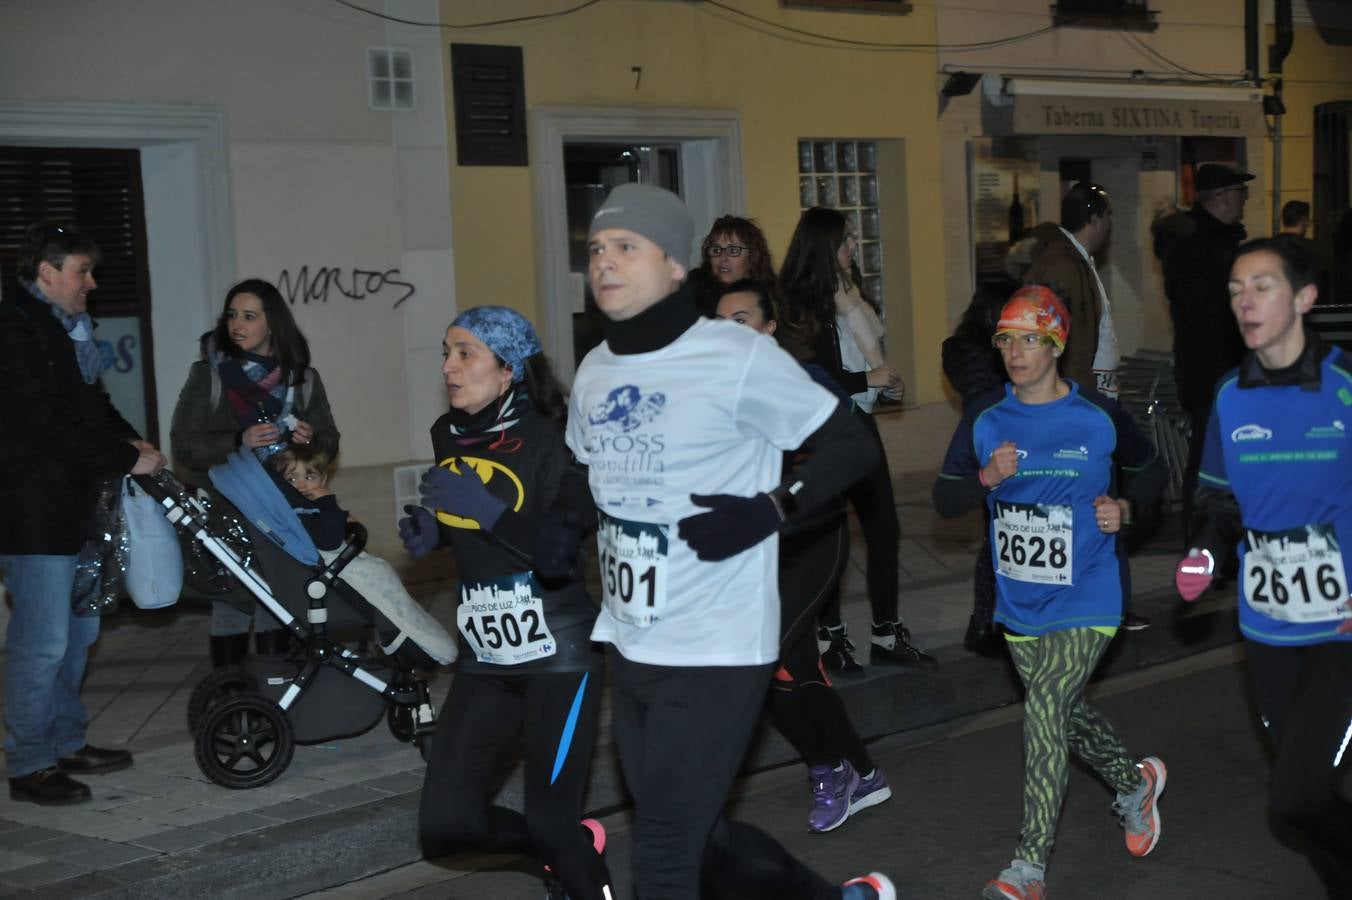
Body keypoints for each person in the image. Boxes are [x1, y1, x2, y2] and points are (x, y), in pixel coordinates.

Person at [570, 182, 895, 899]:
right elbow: (583, 488)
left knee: (660, 849)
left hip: (717, 644)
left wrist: (775, 508)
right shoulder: (595, 369)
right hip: (631, 644)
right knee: (697, 832)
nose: (605, 262)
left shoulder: (732, 355)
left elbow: (852, 443)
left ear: (674, 266)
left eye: (627, 246)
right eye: (596, 248)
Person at [933, 285, 1169, 900]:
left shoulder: (1096, 416)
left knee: (1042, 712)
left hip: (1089, 594)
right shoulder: (987, 418)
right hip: (1021, 603)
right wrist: (987, 477)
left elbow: (1152, 472)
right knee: (1063, 714)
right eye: (1007, 340)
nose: (1016, 352)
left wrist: (1126, 506)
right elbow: (945, 497)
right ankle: (1133, 783)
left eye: (1030, 340)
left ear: (1057, 344)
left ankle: (1027, 868)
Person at [401, 306, 613, 900]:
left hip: (559, 652)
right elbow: (473, 520)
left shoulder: (556, 439)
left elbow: (558, 556)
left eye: (465, 353)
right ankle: (561, 851)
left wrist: (483, 509)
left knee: (550, 818)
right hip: (487, 655)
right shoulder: (449, 432)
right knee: (447, 826)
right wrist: (436, 530)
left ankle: (572, 858)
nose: (448, 366)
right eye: (447, 351)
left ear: (509, 369)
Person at [1175, 237, 1352, 898]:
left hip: (1341, 631)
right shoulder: (1229, 396)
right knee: (1305, 798)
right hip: (1268, 630)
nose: (1243, 301)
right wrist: (1206, 553)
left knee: (1296, 800)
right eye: (1234, 290)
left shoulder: (1345, 388)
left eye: (1261, 286)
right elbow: (1218, 500)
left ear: (1304, 297)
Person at [714, 279, 892, 834]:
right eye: (719, 322)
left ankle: (842, 768)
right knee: (788, 667)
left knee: (765, 655)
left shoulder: (800, 381)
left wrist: (790, 491)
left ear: (768, 329)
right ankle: (848, 770)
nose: (727, 331)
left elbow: (855, 449)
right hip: (754, 550)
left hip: (813, 539)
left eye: (740, 320)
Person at [1, 221, 167, 806]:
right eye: (82, 271)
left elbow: (93, 407)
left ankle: (65, 742)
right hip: (33, 512)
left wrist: (134, 443)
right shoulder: (14, 329)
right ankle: (29, 764)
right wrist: (124, 456)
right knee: (41, 642)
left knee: (77, 636)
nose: (91, 283)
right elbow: (42, 422)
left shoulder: (67, 329)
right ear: (47, 272)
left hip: (79, 506)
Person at [780, 206, 935, 674]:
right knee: (833, 534)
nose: (852, 246)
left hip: (859, 424)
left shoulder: (853, 298)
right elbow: (808, 379)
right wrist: (867, 377)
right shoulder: (799, 303)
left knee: (883, 528)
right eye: (845, 239)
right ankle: (830, 638)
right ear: (823, 246)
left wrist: (886, 386)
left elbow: (866, 368)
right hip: (822, 432)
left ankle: (887, 631)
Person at [170, 278, 340, 666]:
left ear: (272, 324)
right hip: (226, 507)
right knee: (233, 600)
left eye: (249, 316)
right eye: (232, 315)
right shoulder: (209, 375)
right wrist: (237, 440)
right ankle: (230, 689)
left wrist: (311, 439)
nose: (237, 325)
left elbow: (329, 443)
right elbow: (183, 445)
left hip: (283, 509)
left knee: (279, 595)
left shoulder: (302, 380)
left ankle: (275, 684)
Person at [1162, 163, 1254, 537]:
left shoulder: (1215, 242)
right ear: (1221, 198)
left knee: (1222, 459)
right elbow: (1214, 314)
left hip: (1215, 370)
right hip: (1212, 373)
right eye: (1240, 194)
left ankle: (1215, 543)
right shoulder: (1201, 248)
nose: (1244, 202)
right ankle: (1202, 545)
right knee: (1208, 462)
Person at [941, 279, 1013, 655]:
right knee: (997, 541)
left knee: (997, 539)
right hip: (994, 446)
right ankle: (984, 623)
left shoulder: (961, 347)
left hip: (990, 443)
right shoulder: (979, 351)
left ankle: (986, 621)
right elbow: (987, 396)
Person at [1022, 182, 1120, 401]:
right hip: (1077, 395)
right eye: (1108, 216)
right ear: (1094, 221)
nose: (1110, 224)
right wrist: (1078, 397)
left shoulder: (1079, 261)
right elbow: (1063, 341)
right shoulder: (1062, 266)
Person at [690, 214, 778, 316]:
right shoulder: (693, 294)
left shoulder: (771, 297)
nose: (723, 258)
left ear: (753, 256)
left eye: (733, 250)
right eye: (716, 250)